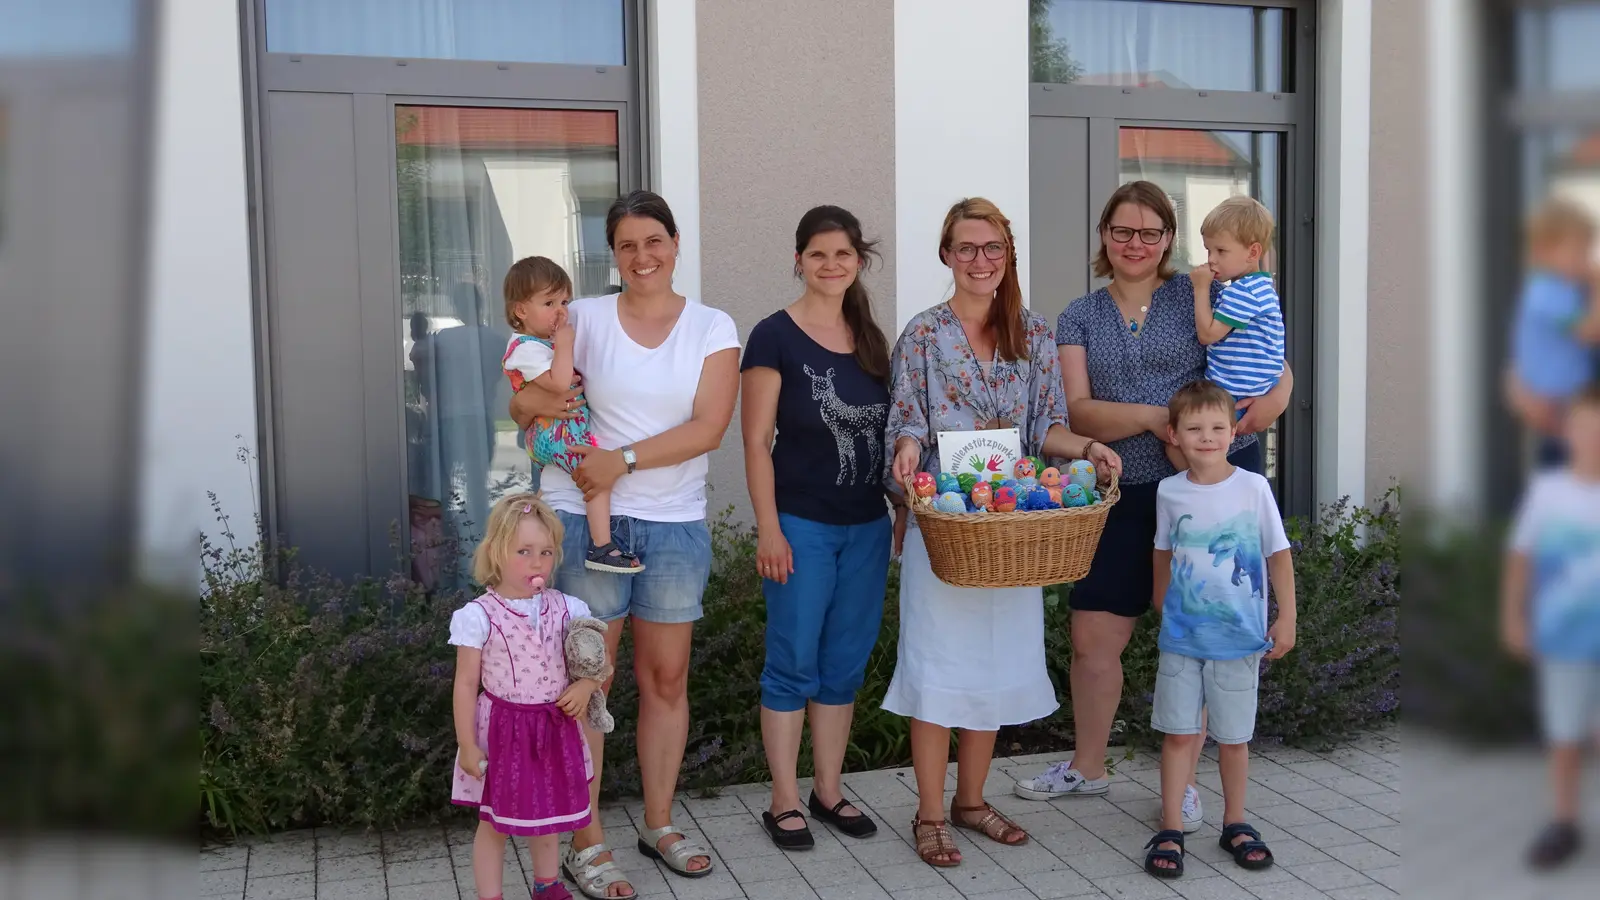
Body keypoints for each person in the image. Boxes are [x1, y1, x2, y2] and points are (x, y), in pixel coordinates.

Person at [1016, 181, 1295, 837]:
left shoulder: (1200, 291)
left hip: (1206, 488)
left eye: (1149, 233)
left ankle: (1187, 788)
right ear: (1104, 237)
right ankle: (1089, 767)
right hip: (1117, 489)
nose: (1134, 244)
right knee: (1093, 638)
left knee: (1201, 636)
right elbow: (1078, 410)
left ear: (1169, 239)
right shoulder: (1080, 315)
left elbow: (1271, 363)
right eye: (1121, 231)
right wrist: (1151, 418)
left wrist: (1267, 409)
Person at [510, 190, 739, 897]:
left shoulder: (711, 326)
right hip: (581, 522)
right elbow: (523, 399)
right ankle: (587, 839)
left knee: (666, 680)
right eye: (628, 245)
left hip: (672, 525)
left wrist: (624, 460)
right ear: (614, 255)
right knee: (587, 682)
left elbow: (708, 429)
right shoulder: (580, 319)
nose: (643, 256)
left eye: (654, 241)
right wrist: (533, 408)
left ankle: (659, 822)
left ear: (675, 243)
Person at [885, 197, 1122, 868]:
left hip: (1013, 528)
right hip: (947, 528)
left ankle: (971, 799)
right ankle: (930, 812)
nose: (980, 260)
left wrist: (1087, 449)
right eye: (967, 248)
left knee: (988, 671)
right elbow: (907, 418)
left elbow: (1044, 425)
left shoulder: (1034, 332)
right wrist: (905, 453)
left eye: (992, 248)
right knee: (936, 671)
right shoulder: (925, 334)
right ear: (946, 255)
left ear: (1008, 254)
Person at [741, 205, 893, 850]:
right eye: (818, 254)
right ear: (798, 259)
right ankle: (781, 800)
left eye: (843, 254)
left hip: (867, 526)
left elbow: (890, 442)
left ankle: (827, 790)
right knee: (792, 664)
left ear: (859, 260)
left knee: (843, 666)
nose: (831, 265)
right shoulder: (773, 335)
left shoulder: (870, 340)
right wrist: (768, 529)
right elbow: (754, 441)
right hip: (800, 525)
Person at [1142, 381, 1295, 879]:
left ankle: (1235, 823)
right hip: (1183, 640)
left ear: (1234, 431)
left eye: (1216, 428)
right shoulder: (1169, 490)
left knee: (1232, 738)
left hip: (1237, 639)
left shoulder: (1252, 487)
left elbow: (1278, 553)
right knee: (1179, 734)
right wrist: (1162, 600)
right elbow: (1163, 549)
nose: (1206, 437)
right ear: (1174, 434)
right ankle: (1170, 828)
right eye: (1194, 428)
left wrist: (1286, 616)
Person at [450, 493, 603, 900]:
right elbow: (466, 683)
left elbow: (597, 661)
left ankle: (547, 884)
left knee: (549, 815)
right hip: (504, 732)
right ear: (497, 552)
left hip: (552, 728)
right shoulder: (479, 615)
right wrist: (466, 744)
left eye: (546, 552)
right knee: (494, 822)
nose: (537, 562)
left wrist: (587, 686)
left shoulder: (568, 608)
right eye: (523, 551)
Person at [1501, 382, 1600, 870]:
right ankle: (1565, 822)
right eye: (1585, 427)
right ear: (1569, 432)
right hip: (1563, 639)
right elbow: (1521, 559)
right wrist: (1513, 618)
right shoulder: (1549, 493)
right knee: (1564, 734)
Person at [501, 257, 642, 573]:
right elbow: (559, 382)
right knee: (596, 477)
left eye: (564, 301)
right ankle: (602, 546)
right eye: (549, 302)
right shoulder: (525, 347)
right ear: (521, 310)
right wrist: (564, 344)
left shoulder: (538, 343)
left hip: (556, 429)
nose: (561, 311)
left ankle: (533, 516)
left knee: (559, 485)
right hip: (556, 433)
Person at [1175, 197, 1285, 471]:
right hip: (1252, 388)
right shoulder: (1261, 287)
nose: (1211, 260)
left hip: (1235, 390)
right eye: (1208, 250)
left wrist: (1200, 288)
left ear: (1252, 252)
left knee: (1183, 441)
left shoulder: (1242, 292)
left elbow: (1208, 335)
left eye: (1221, 251)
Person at [1503, 196, 1600, 469]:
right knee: (1565, 470)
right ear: (1544, 251)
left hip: (1570, 402)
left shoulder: (1563, 289)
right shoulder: (1546, 292)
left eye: (1587, 249)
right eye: (1578, 250)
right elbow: (1590, 332)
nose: (1586, 258)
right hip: (1558, 403)